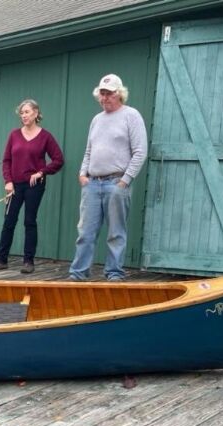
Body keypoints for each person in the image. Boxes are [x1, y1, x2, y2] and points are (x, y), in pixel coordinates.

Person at [68, 74, 147, 282]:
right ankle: (78, 273)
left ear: (119, 93)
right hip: (92, 184)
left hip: (116, 183)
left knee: (116, 233)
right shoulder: (96, 119)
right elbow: (89, 150)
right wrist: (82, 174)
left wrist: (125, 181)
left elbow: (140, 152)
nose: (105, 98)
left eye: (109, 93)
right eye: (102, 94)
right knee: (85, 232)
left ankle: (114, 273)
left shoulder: (132, 115)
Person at [0, 99, 64, 274]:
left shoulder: (45, 136)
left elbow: (59, 160)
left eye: (27, 112)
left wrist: (42, 172)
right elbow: (6, 160)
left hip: (34, 185)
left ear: (36, 113)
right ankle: (1, 259)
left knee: (30, 221)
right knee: (9, 221)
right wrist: (8, 181)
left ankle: (28, 261)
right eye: (21, 113)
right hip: (14, 185)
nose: (24, 116)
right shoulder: (14, 135)